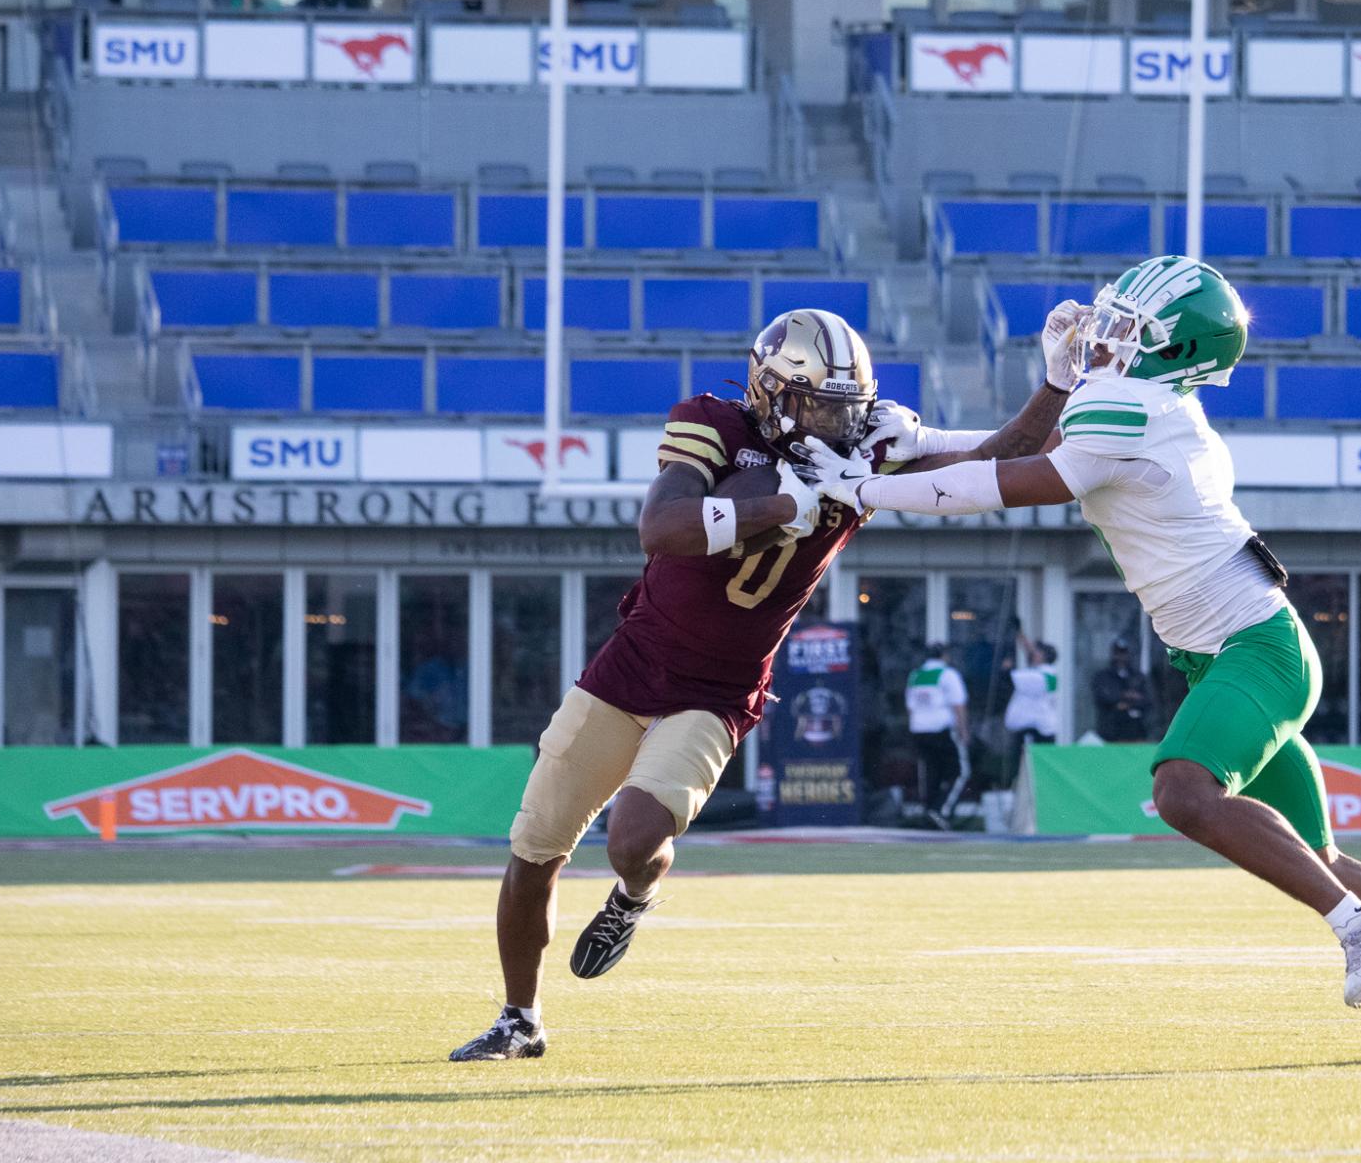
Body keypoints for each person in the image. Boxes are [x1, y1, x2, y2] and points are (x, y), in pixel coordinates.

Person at [799, 256, 1361, 1060]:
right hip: (1225, 655)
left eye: (1129, 328)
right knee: (1319, 856)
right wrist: (926, 442)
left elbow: (1000, 486)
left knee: (1182, 792)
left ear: (1174, 350)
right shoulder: (1134, 403)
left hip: (1256, 651)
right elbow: (1023, 456)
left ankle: (1355, 924)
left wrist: (861, 491)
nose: (1105, 334)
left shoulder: (1136, 406)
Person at [449, 307, 1073, 1060]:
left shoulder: (870, 442)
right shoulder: (711, 422)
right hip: (631, 665)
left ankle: (635, 896)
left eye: (846, 408)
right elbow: (663, 526)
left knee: (635, 839)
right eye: (817, 406)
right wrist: (783, 505)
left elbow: (1000, 455)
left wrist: (1057, 384)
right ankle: (521, 1018)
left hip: (720, 687)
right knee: (535, 845)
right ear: (771, 391)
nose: (836, 425)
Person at [905, 643, 970, 829]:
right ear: (944, 656)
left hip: (919, 729)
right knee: (959, 772)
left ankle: (928, 812)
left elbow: (910, 707)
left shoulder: (915, 675)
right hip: (941, 729)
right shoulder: (948, 675)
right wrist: (964, 730)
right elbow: (958, 705)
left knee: (930, 773)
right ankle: (941, 810)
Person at [1003, 631, 1060, 762]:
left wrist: (1006, 666)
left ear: (1043, 656)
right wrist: (1020, 634)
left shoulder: (1040, 676)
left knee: (1032, 766)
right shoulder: (1047, 673)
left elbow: (1008, 678)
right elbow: (1030, 652)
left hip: (1037, 730)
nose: (1032, 654)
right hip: (1037, 727)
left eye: (1037, 652)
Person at [1091, 637, 1152, 742]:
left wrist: (1129, 704)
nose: (1121, 657)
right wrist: (1124, 696)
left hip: (1135, 729)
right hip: (1111, 730)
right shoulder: (1104, 676)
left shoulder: (1136, 676)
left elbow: (1147, 700)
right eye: (1118, 653)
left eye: (1123, 653)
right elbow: (1103, 697)